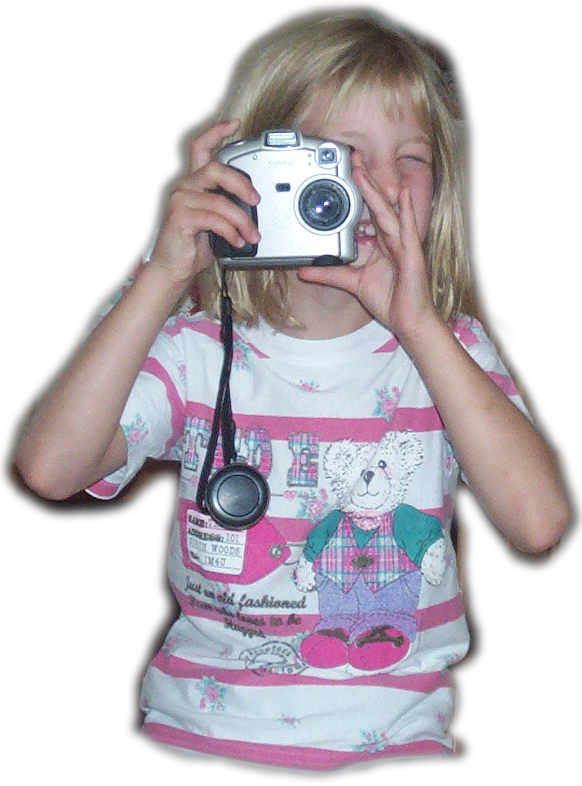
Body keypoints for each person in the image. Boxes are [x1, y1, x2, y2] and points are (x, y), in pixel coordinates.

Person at [14, 8, 570, 772]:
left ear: (439, 187)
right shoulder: (199, 349)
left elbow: (539, 521)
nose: (376, 182)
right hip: (200, 736)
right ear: (254, 171)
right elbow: (51, 466)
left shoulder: (448, 352)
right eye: (342, 152)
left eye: (411, 156)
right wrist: (166, 275)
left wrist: (417, 326)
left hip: (392, 742)